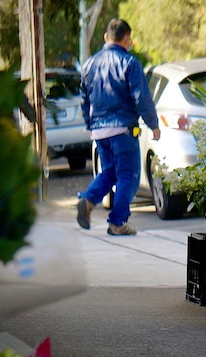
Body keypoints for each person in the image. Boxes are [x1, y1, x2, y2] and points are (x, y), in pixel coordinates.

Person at [76, 18, 160, 235]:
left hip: (99, 130)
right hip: (122, 129)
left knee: (109, 172)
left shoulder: (89, 64)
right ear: (127, 39)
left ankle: (87, 199)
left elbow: (84, 99)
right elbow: (141, 97)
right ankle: (117, 222)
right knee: (128, 175)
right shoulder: (129, 63)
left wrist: (90, 124)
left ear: (106, 37)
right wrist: (154, 125)